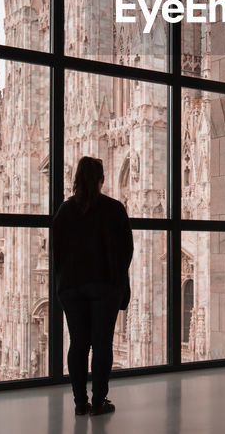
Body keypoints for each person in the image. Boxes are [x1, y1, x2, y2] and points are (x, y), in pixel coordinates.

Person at [51, 157, 134, 416]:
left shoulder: (64, 211)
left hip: (72, 288)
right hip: (105, 288)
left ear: (76, 178)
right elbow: (126, 250)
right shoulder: (114, 209)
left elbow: (57, 252)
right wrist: (116, 276)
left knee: (78, 344)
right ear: (101, 180)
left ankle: (79, 403)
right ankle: (98, 402)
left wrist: (63, 282)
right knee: (101, 345)